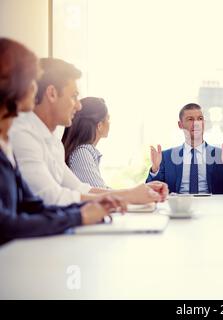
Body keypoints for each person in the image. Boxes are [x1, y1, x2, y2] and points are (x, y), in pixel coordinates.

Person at [0, 38, 127, 245]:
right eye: (32, 80)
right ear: (11, 85)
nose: (37, 88)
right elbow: (6, 223)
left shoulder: (7, 142)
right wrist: (80, 216)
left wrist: (95, 207)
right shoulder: (19, 135)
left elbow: (32, 205)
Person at [9, 57, 168, 206]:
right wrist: (127, 197)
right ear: (52, 93)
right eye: (74, 96)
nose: (78, 106)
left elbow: (80, 188)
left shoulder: (53, 143)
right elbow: (50, 197)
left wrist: (134, 192)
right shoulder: (21, 134)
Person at [146, 103, 223, 194]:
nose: (196, 123)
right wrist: (155, 169)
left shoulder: (220, 155)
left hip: (212, 209)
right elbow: (150, 193)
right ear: (180, 125)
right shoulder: (166, 157)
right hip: (179, 209)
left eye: (200, 119)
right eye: (190, 119)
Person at [62, 97, 110, 188]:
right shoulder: (82, 153)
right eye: (108, 118)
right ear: (99, 125)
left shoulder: (85, 152)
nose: (110, 122)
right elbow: (100, 193)